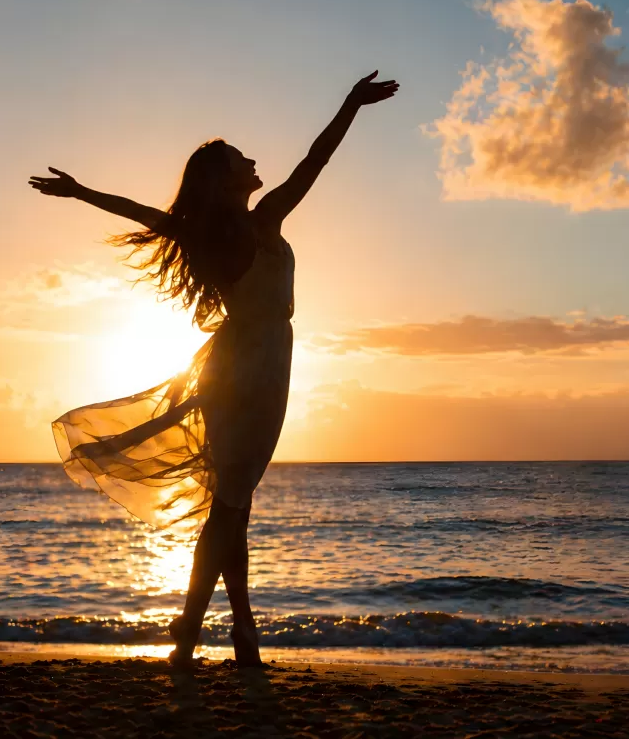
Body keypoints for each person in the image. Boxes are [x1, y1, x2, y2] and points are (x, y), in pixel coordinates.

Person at [29, 71, 399, 667]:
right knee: (230, 508)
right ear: (226, 181)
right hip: (252, 372)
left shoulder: (218, 228)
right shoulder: (262, 220)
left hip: (245, 364)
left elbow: (142, 213)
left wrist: (82, 192)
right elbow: (315, 161)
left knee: (235, 506)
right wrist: (351, 104)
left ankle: (239, 630)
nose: (253, 161)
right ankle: (190, 636)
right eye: (240, 159)